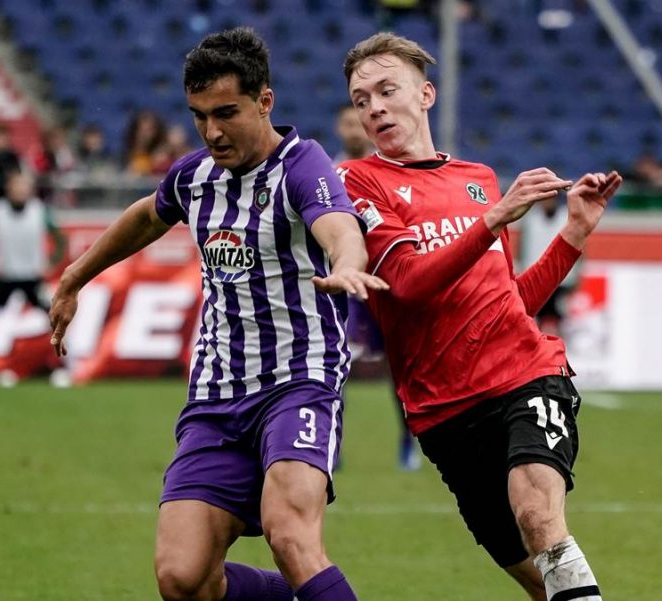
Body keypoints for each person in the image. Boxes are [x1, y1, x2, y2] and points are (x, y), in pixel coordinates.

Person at [48, 28, 384, 601]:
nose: (212, 131)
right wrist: (75, 277)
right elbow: (144, 217)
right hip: (216, 397)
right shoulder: (195, 175)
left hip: (297, 384)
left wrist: (348, 262)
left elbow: (339, 227)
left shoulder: (303, 166)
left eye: (226, 113)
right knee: (183, 578)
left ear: (264, 101)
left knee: (290, 534)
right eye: (200, 115)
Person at [338, 33, 622, 600]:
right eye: (361, 97)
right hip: (443, 414)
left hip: (524, 376)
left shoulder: (479, 179)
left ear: (426, 94)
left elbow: (509, 303)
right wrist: (491, 221)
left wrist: (572, 234)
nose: (373, 107)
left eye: (386, 90)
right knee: (542, 583)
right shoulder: (359, 182)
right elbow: (410, 284)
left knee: (538, 514)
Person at [332, 103, 418, 470]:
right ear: (339, 128)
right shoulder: (325, 174)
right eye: (348, 122)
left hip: (384, 284)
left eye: (358, 122)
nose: (354, 128)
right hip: (345, 286)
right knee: (337, 366)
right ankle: (331, 445)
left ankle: (407, 443)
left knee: (397, 369)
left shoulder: (384, 171)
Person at [0, 170, 66, 316]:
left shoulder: (40, 210)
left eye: (24, 186)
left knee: (51, 312)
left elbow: (60, 241)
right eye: (16, 186)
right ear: (8, 188)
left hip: (32, 274)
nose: (20, 190)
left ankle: (62, 339)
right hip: (6, 273)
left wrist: (52, 262)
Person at [519, 195, 578, 338]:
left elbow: (580, 246)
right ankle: (537, 351)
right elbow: (521, 247)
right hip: (536, 277)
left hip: (563, 279)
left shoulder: (567, 217)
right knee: (534, 317)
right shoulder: (531, 219)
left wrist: (577, 277)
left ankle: (561, 352)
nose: (547, 203)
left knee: (561, 318)